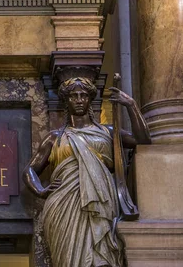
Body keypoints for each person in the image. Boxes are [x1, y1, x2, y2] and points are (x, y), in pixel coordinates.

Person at [23, 77, 151, 267]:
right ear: (67, 100)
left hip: (100, 201)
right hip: (64, 203)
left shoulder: (108, 132)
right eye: (74, 96)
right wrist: (41, 191)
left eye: (84, 95)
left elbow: (143, 140)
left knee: (102, 255)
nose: (79, 99)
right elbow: (29, 170)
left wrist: (131, 105)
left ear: (90, 99)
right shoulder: (55, 138)